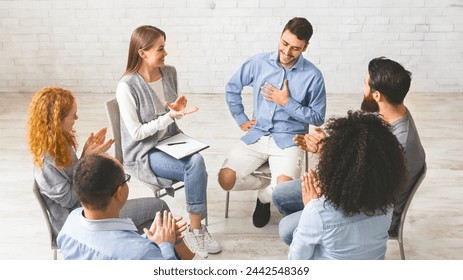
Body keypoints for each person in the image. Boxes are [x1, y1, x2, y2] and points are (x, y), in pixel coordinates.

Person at [273, 57, 426, 245]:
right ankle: (316, 234)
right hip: (362, 191)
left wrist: (319, 198)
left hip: (371, 213)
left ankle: (323, 243)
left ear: (377, 95)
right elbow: (364, 162)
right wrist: (328, 147)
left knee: (287, 229)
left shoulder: (398, 144)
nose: (363, 89)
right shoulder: (390, 115)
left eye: (365, 84)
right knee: (280, 194)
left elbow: (364, 192)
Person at [116, 25, 221, 258]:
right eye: (160, 49)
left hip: (172, 141)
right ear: (142, 53)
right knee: (195, 165)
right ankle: (196, 229)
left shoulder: (169, 72)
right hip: (144, 151)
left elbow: (168, 113)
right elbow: (136, 133)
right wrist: (168, 117)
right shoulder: (126, 86)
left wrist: (174, 110)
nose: (166, 53)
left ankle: (197, 228)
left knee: (197, 162)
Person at [218, 17, 326, 228]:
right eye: (285, 44)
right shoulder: (258, 63)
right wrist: (241, 119)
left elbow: (317, 117)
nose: (287, 52)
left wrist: (286, 102)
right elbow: (232, 87)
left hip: (290, 140)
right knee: (225, 179)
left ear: (306, 47)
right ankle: (266, 186)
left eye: (295, 48)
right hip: (257, 134)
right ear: (280, 36)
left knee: (283, 191)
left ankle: (264, 198)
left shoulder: (313, 76)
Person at [27, 86, 169, 236]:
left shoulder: (59, 140)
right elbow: (69, 200)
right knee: (160, 208)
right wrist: (86, 159)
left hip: (90, 206)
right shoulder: (46, 163)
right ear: (57, 120)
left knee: (152, 223)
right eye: (73, 116)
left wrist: (84, 155)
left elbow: (73, 178)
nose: (76, 119)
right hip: (78, 221)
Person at [289, 110, 407, 259]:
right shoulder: (387, 205)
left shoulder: (317, 213)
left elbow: (296, 261)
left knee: (287, 228)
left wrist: (311, 205)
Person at [57, 153, 192, 260]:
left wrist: (150, 240)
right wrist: (166, 245)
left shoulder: (69, 225)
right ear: (120, 192)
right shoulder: (142, 253)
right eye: (125, 179)